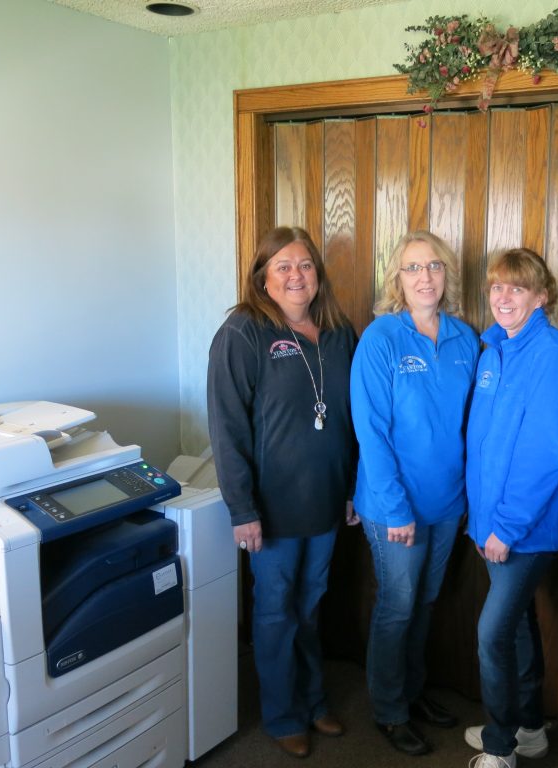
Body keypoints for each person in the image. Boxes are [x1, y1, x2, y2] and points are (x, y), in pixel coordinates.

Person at [207, 226, 357, 759]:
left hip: (325, 501)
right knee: (275, 611)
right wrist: (241, 508)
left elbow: (350, 419)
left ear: (318, 275)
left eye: (306, 265)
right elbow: (227, 428)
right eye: (283, 267)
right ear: (263, 279)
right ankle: (283, 713)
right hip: (269, 510)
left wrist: (350, 489)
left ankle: (315, 701)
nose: (297, 275)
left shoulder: (339, 332)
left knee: (311, 607)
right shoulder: (243, 332)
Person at [350, 231, 479, 756]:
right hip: (393, 506)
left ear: (447, 274)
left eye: (433, 266)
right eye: (411, 268)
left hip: (447, 504)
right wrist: (396, 508)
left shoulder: (465, 339)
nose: (424, 277)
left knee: (425, 603)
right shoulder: (381, 339)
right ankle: (389, 709)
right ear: (396, 280)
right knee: (398, 606)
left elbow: (474, 424)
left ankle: (412, 690)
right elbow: (371, 432)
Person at [463, 249, 558, 768]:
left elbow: (545, 451)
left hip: (526, 530)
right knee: (516, 627)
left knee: (492, 633)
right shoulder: (493, 350)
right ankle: (529, 729)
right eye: (496, 287)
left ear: (542, 295)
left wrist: (506, 526)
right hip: (493, 525)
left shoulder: (552, 354)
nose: (503, 297)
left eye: (517, 288)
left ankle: (499, 746)